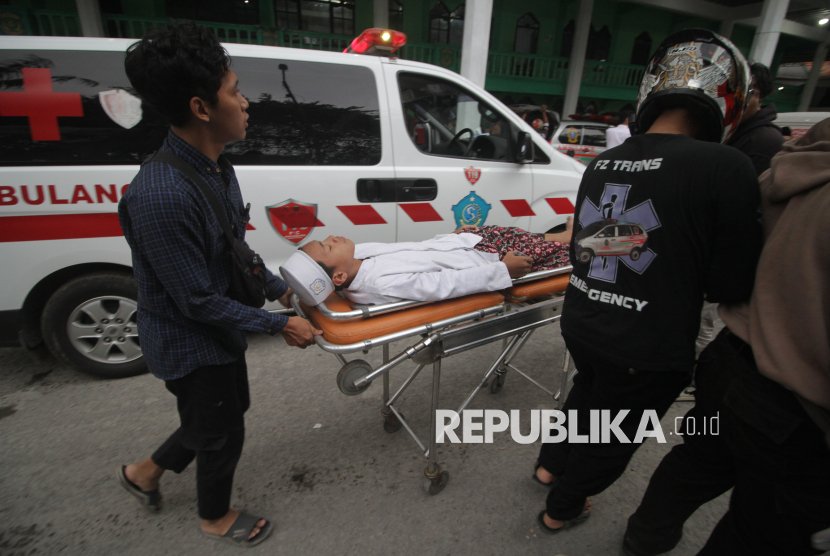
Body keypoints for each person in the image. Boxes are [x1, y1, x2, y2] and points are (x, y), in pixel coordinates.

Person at [533, 29, 762, 534]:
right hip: (648, 342)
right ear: (728, 97)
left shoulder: (604, 162)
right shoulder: (727, 166)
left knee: (588, 394)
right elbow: (731, 281)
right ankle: (562, 508)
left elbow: (589, 247)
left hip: (585, 318)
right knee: (614, 432)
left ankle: (549, 465)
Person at [115, 23, 320, 548]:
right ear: (201, 108)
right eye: (235, 90)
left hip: (215, 329)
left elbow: (235, 249)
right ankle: (214, 517)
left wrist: (278, 288)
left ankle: (144, 473)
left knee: (221, 414)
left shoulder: (214, 168)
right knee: (221, 430)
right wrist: (278, 325)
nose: (246, 102)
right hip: (189, 341)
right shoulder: (161, 195)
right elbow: (196, 300)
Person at [623, 118, 830, 556]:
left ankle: (644, 538)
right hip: (796, 403)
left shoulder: (782, 172)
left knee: (696, 462)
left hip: (731, 360)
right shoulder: (751, 164)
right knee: (761, 530)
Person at [294, 223, 572, 305]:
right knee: (538, 251)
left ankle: (563, 236)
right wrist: (503, 271)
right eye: (328, 247)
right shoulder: (379, 284)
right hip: (484, 261)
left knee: (511, 233)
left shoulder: (360, 256)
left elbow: (418, 249)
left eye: (325, 240)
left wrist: (450, 238)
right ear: (339, 277)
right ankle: (571, 243)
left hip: (465, 246)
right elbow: (443, 285)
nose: (332, 238)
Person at [726, 62, 785, 176]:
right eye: (730, 91)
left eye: (746, 92)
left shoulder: (766, 140)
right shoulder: (727, 128)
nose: (735, 99)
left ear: (759, 98)